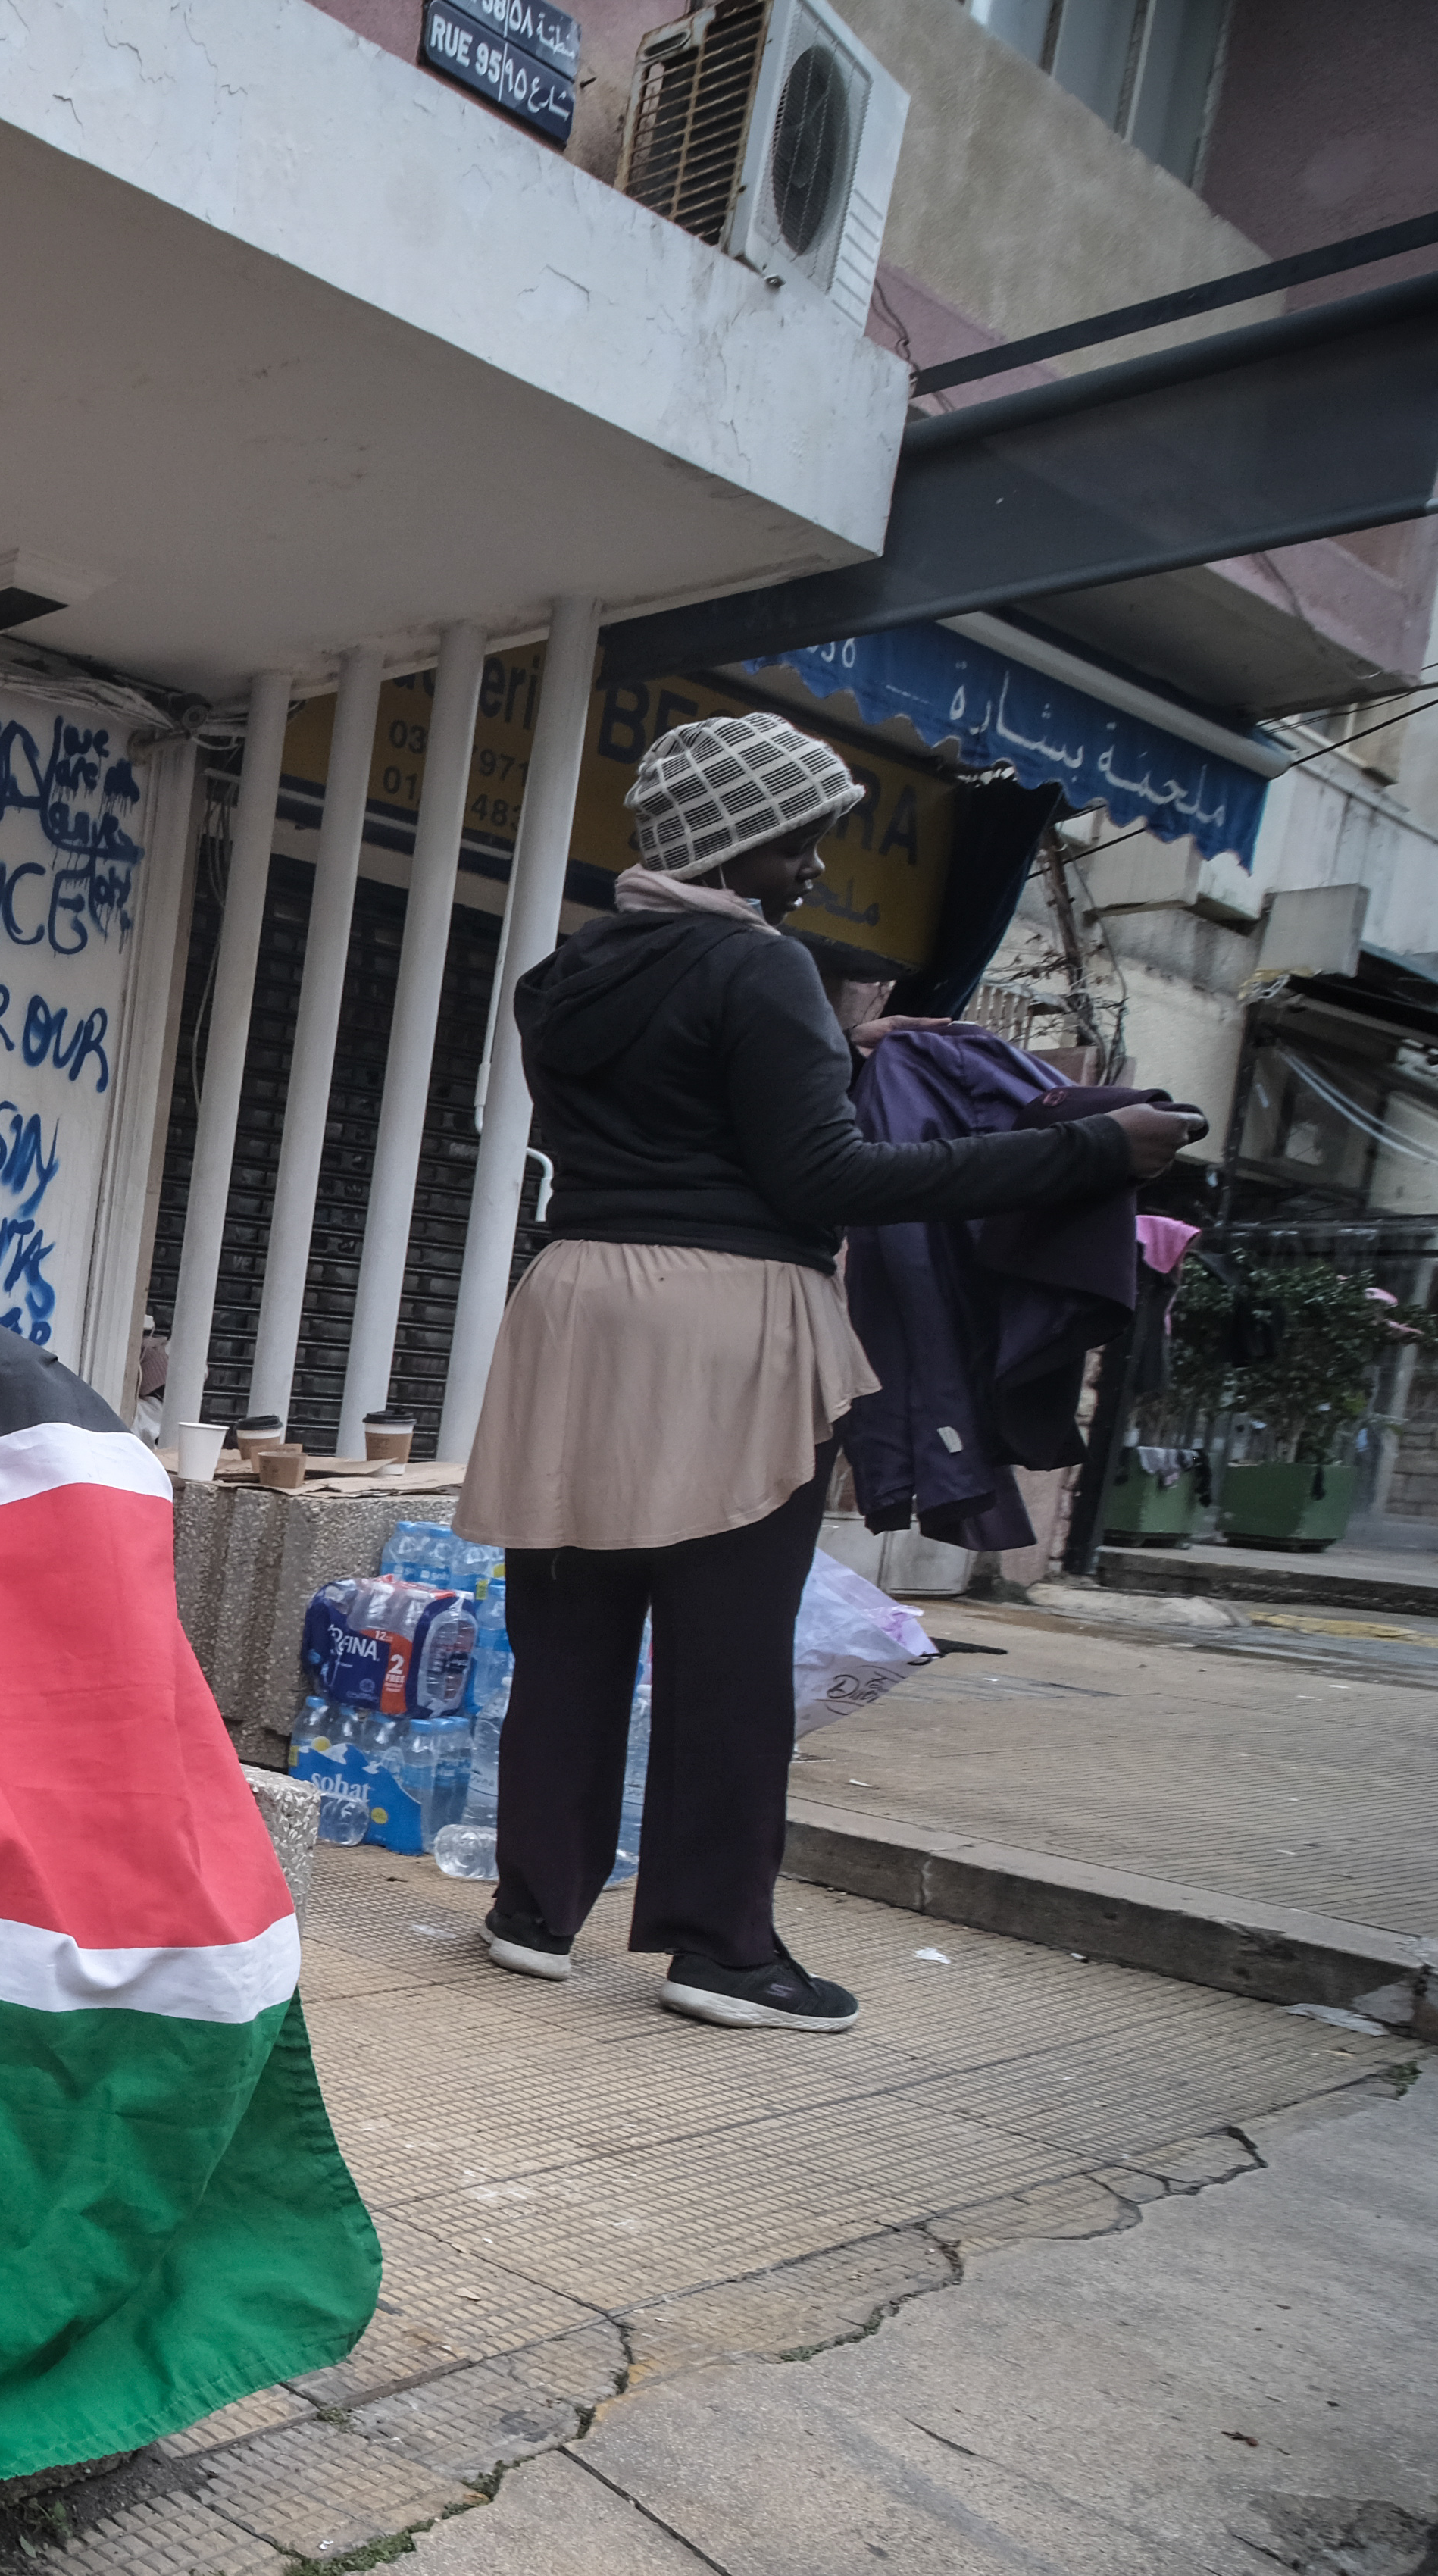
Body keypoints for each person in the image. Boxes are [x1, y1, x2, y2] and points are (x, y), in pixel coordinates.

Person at [453, 713, 1193, 2030]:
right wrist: (1093, 1152)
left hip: (574, 1303)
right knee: (727, 1648)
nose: (815, 866)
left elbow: (672, 1118)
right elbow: (828, 1180)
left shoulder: (560, 978)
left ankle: (533, 1910)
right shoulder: (764, 972)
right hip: (729, 1318)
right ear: (747, 843)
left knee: (568, 1630)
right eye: (802, 837)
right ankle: (719, 1949)